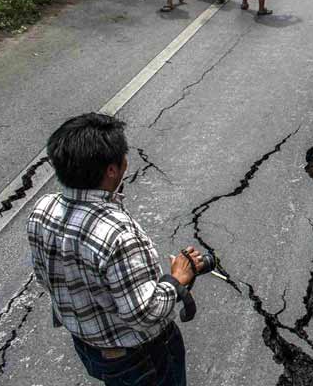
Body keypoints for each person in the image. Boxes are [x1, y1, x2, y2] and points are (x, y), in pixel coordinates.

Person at [28, 113, 207, 386]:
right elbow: (144, 314)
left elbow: (46, 278)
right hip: (140, 356)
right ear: (112, 170)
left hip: (90, 348)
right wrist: (177, 278)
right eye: (123, 155)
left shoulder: (43, 209)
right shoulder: (117, 235)